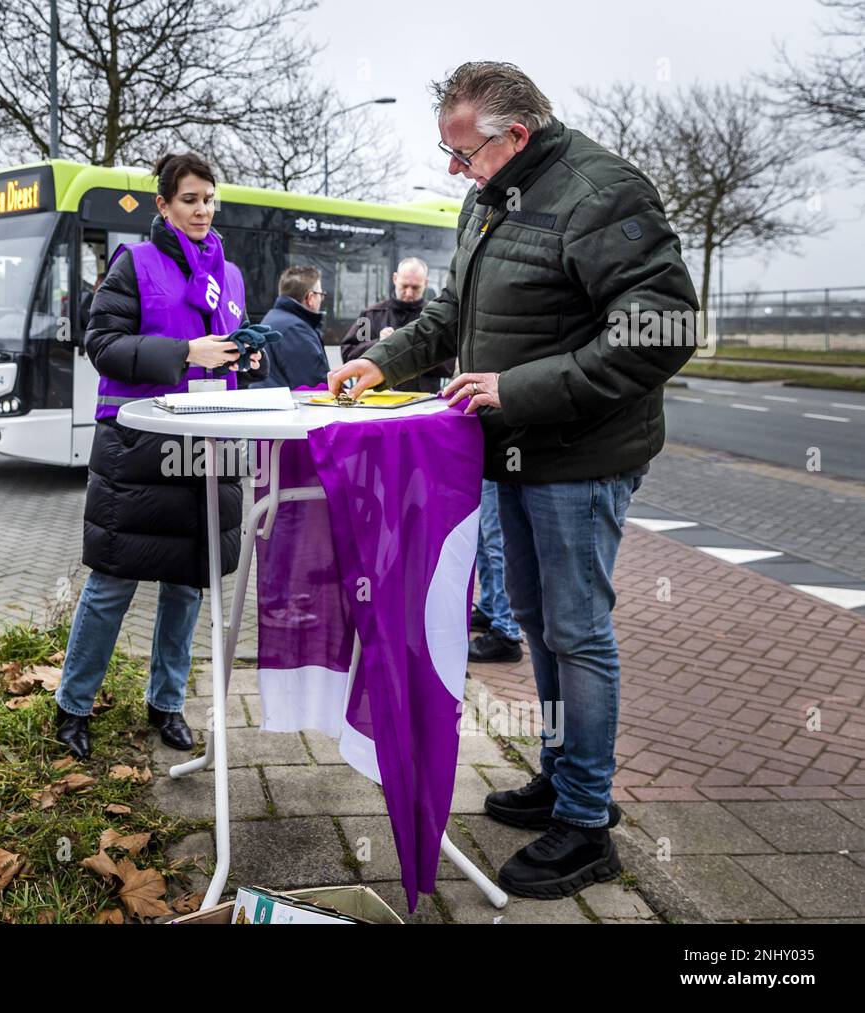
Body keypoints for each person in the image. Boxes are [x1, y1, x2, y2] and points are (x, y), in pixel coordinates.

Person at [329, 61, 698, 899]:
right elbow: (449, 315)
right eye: (448, 154)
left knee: (577, 631)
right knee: (534, 622)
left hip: (583, 457)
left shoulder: (604, 192)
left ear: (518, 135)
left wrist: (518, 390)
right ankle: (560, 777)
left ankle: (587, 821)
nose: (454, 170)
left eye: (464, 154)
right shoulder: (489, 197)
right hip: (515, 455)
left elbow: (665, 326)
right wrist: (378, 359)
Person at [55, 152, 266, 761]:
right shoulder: (135, 263)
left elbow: (229, 347)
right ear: (164, 206)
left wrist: (247, 359)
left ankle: (166, 703)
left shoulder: (231, 275)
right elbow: (102, 343)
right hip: (139, 446)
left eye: (208, 199)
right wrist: (184, 352)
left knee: (189, 584)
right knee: (113, 581)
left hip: (211, 444)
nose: (202, 210)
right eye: (190, 199)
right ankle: (73, 705)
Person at [340, 257, 453, 393]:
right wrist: (379, 343)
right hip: (377, 401)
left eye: (415, 288)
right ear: (395, 279)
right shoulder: (371, 315)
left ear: (426, 283)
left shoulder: (435, 317)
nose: (409, 293)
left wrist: (408, 349)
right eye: (404, 286)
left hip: (421, 401)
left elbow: (448, 366)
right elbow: (348, 355)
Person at [470, 479, 524, 662]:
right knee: (484, 540)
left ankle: (507, 631)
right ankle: (490, 609)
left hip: (502, 463)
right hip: (489, 462)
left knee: (497, 543)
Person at [251, 266, 330, 390]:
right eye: (321, 294)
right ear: (310, 298)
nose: (322, 299)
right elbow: (315, 386)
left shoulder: (276, 318)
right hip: (283, 405)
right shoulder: (295, 329)